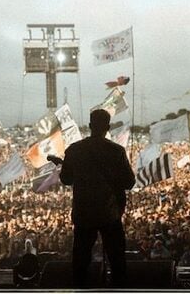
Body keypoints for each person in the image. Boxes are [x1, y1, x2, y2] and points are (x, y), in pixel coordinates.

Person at [60, 109, 135, 288]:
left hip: (83, 213)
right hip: (109, 213)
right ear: (107, 127)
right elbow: (129, 182)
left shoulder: (74, 150)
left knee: (80, 261)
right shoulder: (116, 151)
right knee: (117, 260)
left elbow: (66, 179)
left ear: (90, 126)